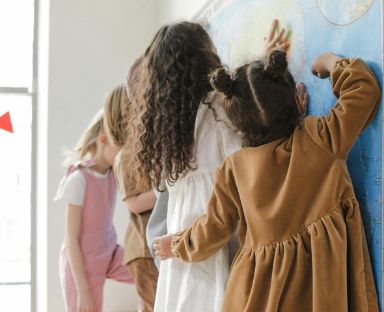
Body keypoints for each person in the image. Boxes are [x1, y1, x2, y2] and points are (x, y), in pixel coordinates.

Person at [154, 51, 380, 311]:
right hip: (320, 288)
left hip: (258, 292)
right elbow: (364, 90)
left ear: (236, 125)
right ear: (296, 101)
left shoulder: (234, 170)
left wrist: (178, 244)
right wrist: (330, 62)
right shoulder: (319, 138)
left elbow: (214, 228)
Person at [137, 20, 291, 311]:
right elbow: (251, 158)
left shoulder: (166, 128)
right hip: (216, 237)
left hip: (182, 252)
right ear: (205, 58)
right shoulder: (218, 109)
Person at [55, 110, 134, 312]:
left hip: (108, 253)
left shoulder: (111, 174)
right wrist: (83, 290)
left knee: (145, 269)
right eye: (120, 148)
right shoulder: (78, 180)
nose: (123, 155)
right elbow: (71, 239)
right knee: (88, 307)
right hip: (81, 265)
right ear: (102, 140)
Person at [104, 79, 158, 312]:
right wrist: (163, 192)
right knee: (154, 304)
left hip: (149, 245)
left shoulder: (143, 151)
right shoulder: (124, 157)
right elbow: (134, 203)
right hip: (142, 249)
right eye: (138, 106)